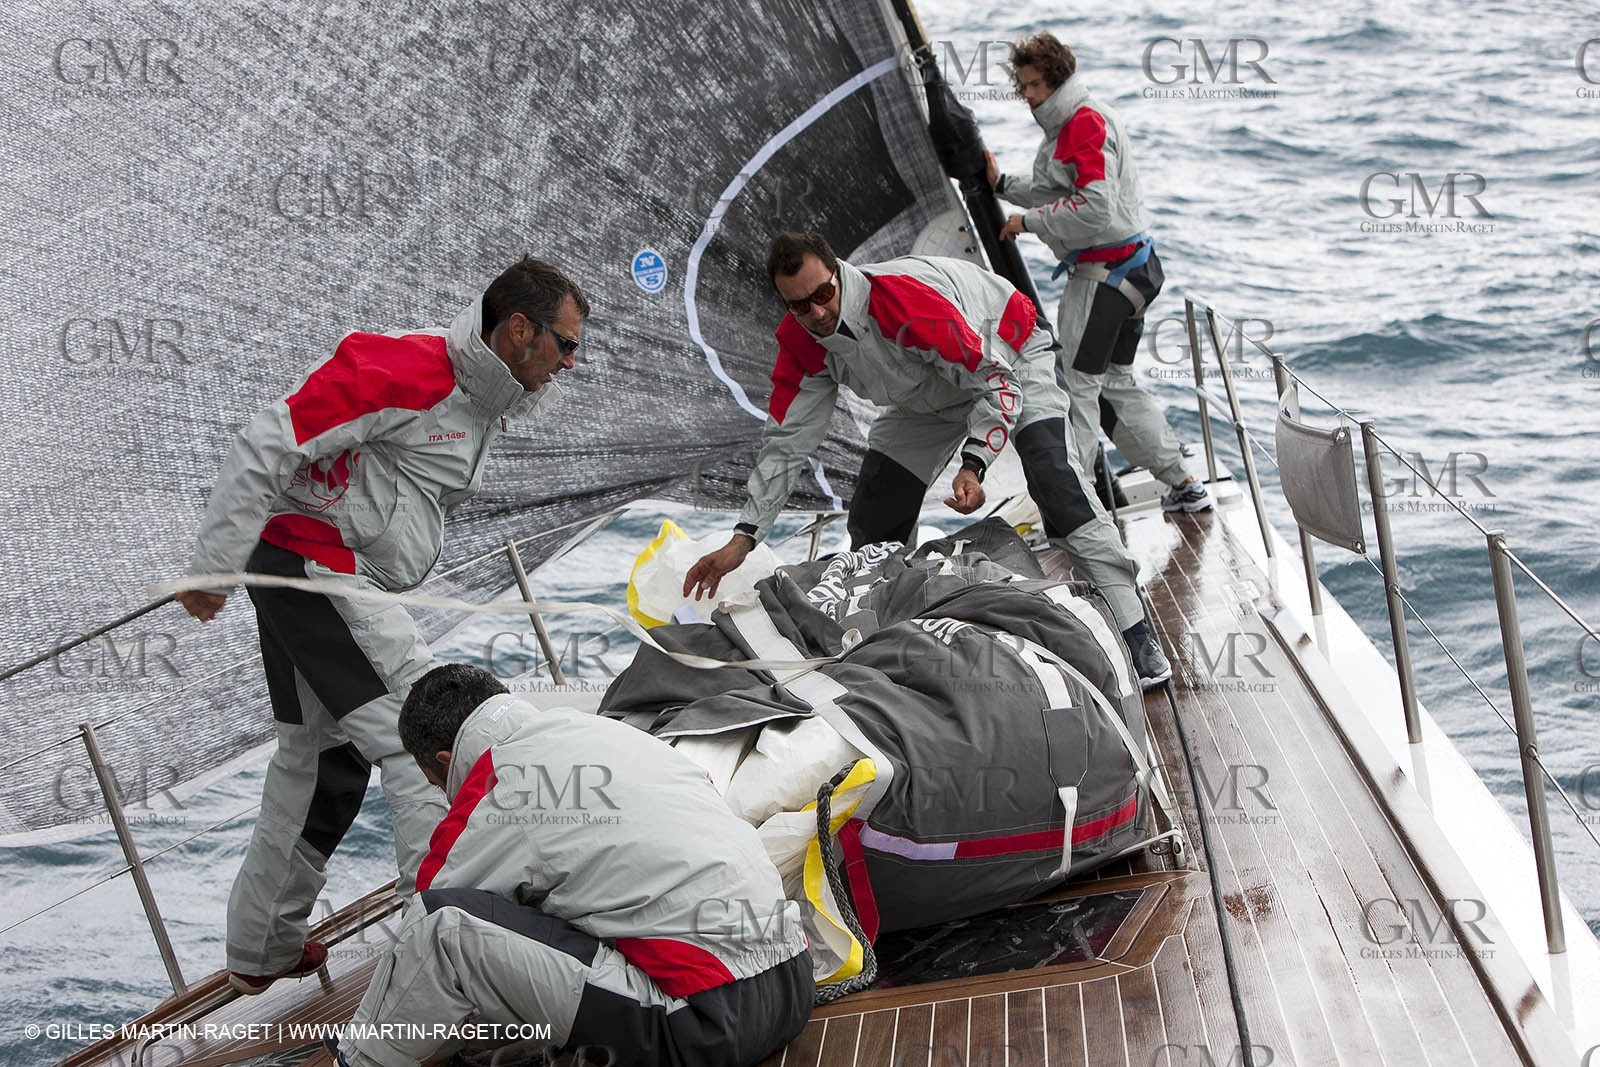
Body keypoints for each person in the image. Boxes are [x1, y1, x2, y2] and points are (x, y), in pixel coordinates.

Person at [174, 256, 588, 994]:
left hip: (313, 573)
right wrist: (213, 566)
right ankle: (438, 968)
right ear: (519, 329)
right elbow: (271, 435)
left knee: (321, 762)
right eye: (566, 344)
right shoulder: (409, 366)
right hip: (311, 567)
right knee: (423, 745)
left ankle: (261, 946)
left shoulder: (485, 391)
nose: (570, 363)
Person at [684, 231, 1171, 687]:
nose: (815, 312)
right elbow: (786, 444)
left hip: (1011, 359)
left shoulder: (901, 302)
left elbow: (995, 382)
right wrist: (744, 539)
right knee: (876, 515)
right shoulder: (802, 342)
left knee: (1055, 482)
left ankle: (1133, 628)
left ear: (838, 274)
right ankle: (895, 642)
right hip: (929, 396)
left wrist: (974, 463)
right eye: (798, 305)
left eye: (823, 295)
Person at [325, 664, 813, 1067]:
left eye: (435, 780)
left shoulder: (496, 781)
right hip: (792, 982)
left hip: (701, 1026)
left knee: (441, 924)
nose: (442, 794)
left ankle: (355, 1061)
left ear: (444, 758)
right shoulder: (603, 732)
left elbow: (429, 921)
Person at [988, 31, 1212, 515]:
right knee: (1117, 384)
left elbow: (1092, 206)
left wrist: (1028, 223)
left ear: (1055, 81)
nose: (1025, 96)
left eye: (1032, 86)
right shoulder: (1080, 119)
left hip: (1104, 277)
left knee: (1079, 391)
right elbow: (1059, 189)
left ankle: (1082, 510)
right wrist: (1003, 185)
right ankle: (1185, 484)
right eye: (1021, 86)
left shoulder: (1081, 124)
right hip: (1137, 271)